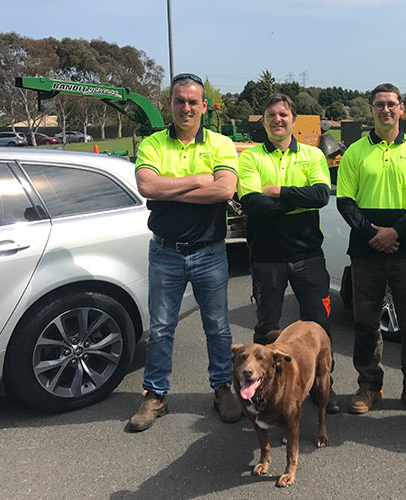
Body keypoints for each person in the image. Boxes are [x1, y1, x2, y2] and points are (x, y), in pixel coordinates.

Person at [128, 72, 241, 432]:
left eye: (194, 101)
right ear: (169, 105)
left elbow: (224, 191)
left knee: (219, 328)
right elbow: (147, 184)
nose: (187, 107)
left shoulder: (221, 144)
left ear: (204, 106)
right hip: (165, 253)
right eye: (180, 101)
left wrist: (169, 189)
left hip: (209, 252)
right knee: (161, 328)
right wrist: (198, 180)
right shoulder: (153, 144)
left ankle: (223, 387)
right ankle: (155, 394)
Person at [336, 83, 406, 416]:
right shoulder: (355, 152)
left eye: (391, 105)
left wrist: (394, 232)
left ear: (401, 109)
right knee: (366, 322)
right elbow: (345, 202)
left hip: (404, 248)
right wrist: (373, 233)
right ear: (371, 110)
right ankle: (369, 387)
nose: (385, 110)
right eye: (379, 105)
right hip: (365, 250)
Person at [236, 93, 340, 414]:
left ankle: (324, 387)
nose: (277, 120)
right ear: (264, 121)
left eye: (283, 114)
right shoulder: (251, 158)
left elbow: (321, 194)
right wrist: (297, 200)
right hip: (267, 256)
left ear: (293, 120)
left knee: (318, 327)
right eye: (271, 115)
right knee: (268, 326)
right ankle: (263, 391)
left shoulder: (311, 155)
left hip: (308, 255)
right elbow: (251, 203)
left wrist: (277, 192)